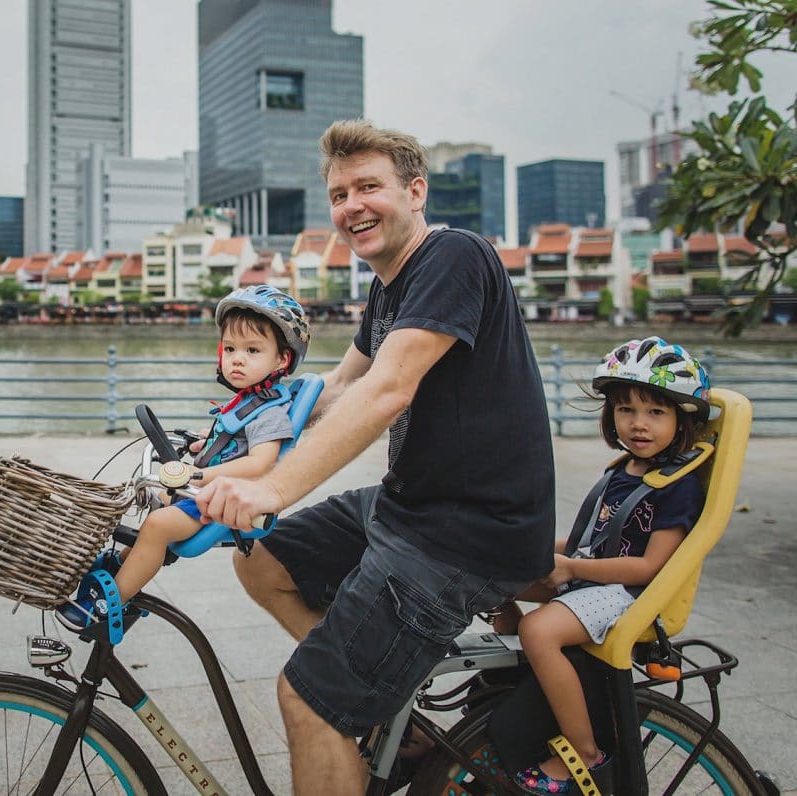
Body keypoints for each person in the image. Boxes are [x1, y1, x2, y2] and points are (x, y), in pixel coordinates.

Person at [195, 119, 556, 795]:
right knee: (262, 558)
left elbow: (388, 389)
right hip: (410, 508)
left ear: (415, 192)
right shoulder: (390, 286)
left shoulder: (454, 258)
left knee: (310, 701)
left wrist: (272, 489)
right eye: (339, 194)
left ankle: (347, 702)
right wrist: (225, 449)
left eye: (369, 187)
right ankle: (383, 698)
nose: (351, 206)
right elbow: (336, 392)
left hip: (466, 537)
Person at [502, 336, 709, 795]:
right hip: (596, 579)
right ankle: (513, 682)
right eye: (626, 410)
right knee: (494, 576)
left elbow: (650, 568)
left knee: (540, 631)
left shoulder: (678, 488)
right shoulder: (624, 471)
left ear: (681, 421)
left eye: (656, 412)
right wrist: (528, 548)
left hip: (629, 595)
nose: (638, 424)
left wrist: (571, 569)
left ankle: (585, 752)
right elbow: (589, 543)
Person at [56, 284, 310, 631]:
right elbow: (233, 440)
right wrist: (202, 443)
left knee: (159, 525)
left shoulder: (269, 412)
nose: (237, 358)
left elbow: (261, 462)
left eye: (253, 350)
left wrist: (199, 475)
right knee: (156, 501)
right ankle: (123, 565)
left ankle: (106, 605)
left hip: (224, 500)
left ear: (281, 360)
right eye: (231, 348)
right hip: (205, 492)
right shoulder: (248, 403)